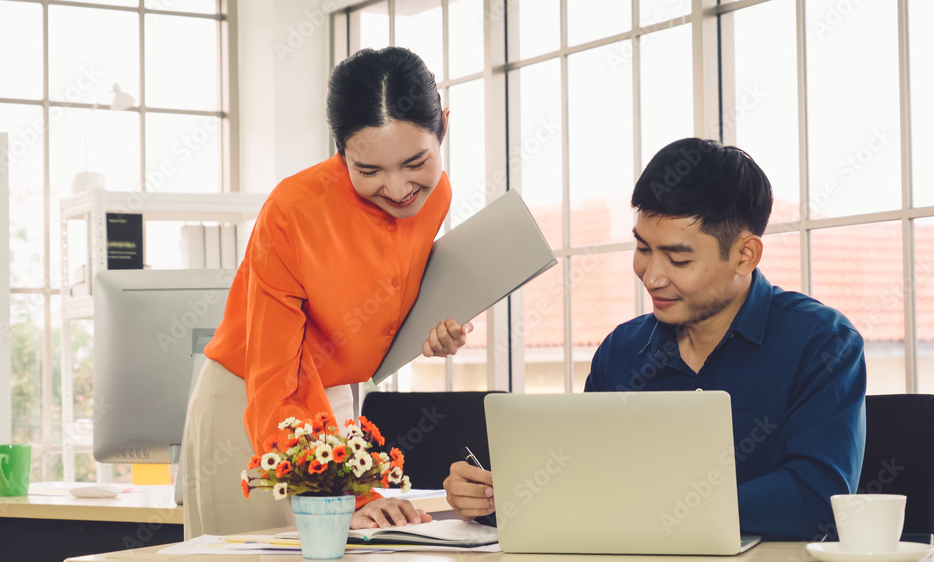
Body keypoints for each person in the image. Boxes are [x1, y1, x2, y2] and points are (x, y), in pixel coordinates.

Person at [443, 138, 866, 541]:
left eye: (678, 258)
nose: (652, 276)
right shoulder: (620, 352)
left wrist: (663, 510)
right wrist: (497, 499)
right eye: (643, 248)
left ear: (745, 255)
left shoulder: (824, 345)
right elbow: (585, 485)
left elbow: (817, 498)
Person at [182, 46, 474, 539]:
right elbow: (274, 374)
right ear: (340, 150)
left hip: (334, 398)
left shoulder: (437, 194)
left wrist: (437, 326)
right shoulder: (292, 212)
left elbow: (391, 287)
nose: (400, 187)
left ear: (443, 126)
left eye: (414, 162)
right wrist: (351, 491)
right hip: (251, 402)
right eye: (369, 171)